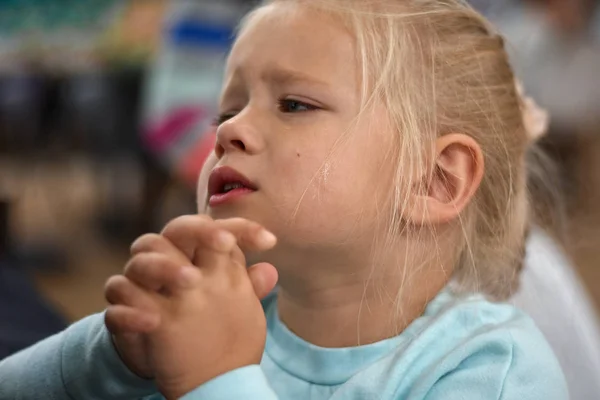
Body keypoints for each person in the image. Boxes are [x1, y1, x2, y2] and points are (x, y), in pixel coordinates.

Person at [0, 1, 568, 399]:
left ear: (433, 181)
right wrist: (110, 360)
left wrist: (217, 380)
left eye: (294, 104)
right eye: (227, 111)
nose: (227, 132)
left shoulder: (490, 370)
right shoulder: (211, 313)